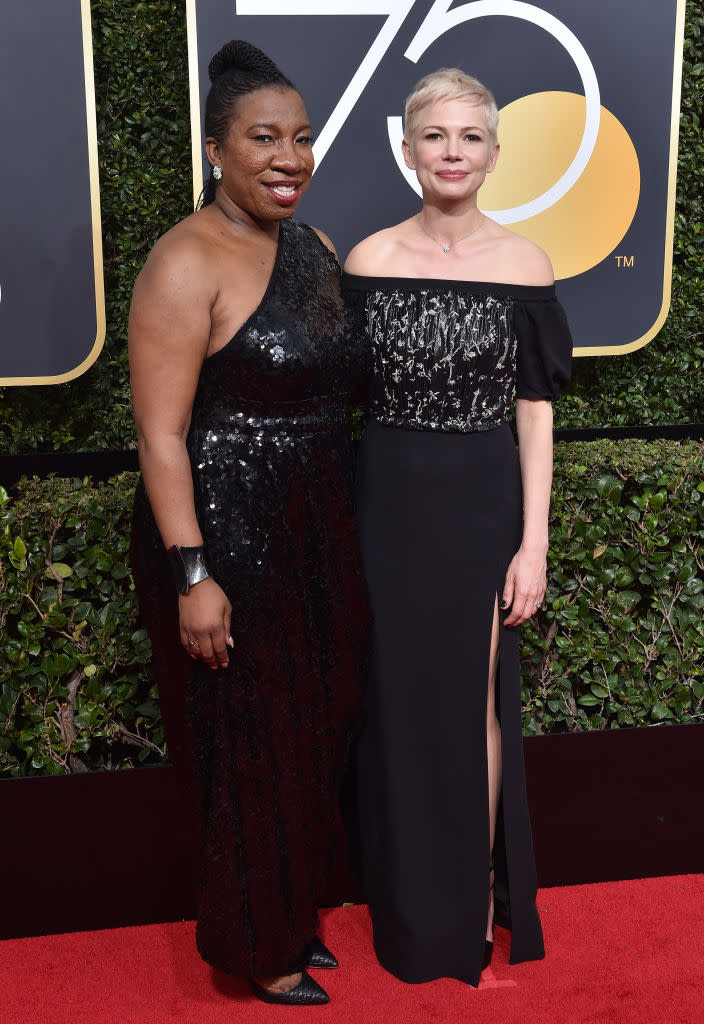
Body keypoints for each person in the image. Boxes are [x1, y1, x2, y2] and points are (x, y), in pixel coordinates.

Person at [129, 40, 368, 1007]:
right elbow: (159, 435)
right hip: (226, 538)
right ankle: (253, 942)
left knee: (311, 730)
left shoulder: (312, 249)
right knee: (246, 745)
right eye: (264, 138)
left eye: (302, 138)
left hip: (316, 530)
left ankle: (292, 912)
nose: (289, 157)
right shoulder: (186, 257)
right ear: (217, 150)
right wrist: (194, 572)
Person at [342, 68, 572, 987]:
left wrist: (535, 541)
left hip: (479, 502)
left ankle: (472, 898)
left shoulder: (526, 266)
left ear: (493, 153)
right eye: (434, 136)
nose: (452, 153)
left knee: (469, 701)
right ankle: (403, 903)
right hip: (386, 497)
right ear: (407, 149)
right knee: (395, 704)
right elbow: (337, 403)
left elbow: (536, 416)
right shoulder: (368, 261)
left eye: (469, 137)